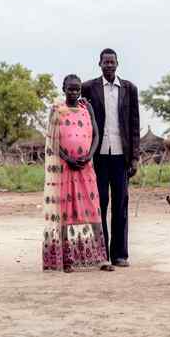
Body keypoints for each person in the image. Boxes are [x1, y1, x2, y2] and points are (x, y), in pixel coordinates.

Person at [42, 74, 113, 273]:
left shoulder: (86, 108)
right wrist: (69, 158)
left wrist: (89, 155)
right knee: (68, 212)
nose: (74, 92)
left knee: (92, 209)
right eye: (70, 89)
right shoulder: (56, 110)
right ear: (63, 89)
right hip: (65, 169)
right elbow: (52, 140)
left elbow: (97, 134)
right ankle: (68, 260)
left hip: (86, 168)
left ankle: (100, 258)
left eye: (77, 89)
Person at [82, 49, 140, 267]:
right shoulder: (89, 87)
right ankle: (101, 253)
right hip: (97, 156)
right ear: (99, 64)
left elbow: (134, 125)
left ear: (117, 63)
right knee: (100, 205)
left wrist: (134, 159)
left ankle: (120, 254)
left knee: (120, 206)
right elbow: (82, 118)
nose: (108, 65)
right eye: (105, 62)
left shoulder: (129, 89)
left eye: (112, 62)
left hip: (121, 157)